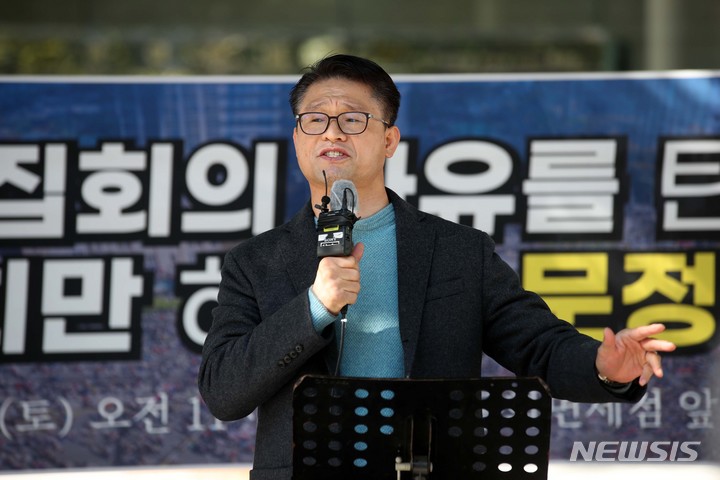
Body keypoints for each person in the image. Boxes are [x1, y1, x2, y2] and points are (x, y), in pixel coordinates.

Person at [198, 53, 676, 480]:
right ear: (297, 138)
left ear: (390, 140)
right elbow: (223, 390)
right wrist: (314, 307)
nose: (332, 132)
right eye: (315, 119)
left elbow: (539, 346)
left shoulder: (457, 250)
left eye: (353, 119)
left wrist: (603, 367)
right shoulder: (255, 262)